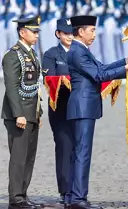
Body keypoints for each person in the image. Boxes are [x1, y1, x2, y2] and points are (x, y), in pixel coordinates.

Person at [67, 15, 128, 209]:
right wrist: (127, 68)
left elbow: (102, 67)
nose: (94, 34)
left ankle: (73, 196)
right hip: (82, 107)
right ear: (81, 31)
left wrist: (124, 61)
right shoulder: (78, 51)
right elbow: (99, 75)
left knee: (79, 152)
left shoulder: (81, 50)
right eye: (91, 30)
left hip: (83, 107)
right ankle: (77, 199)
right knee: (82, 153)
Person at [1, 15, 43, 209]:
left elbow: (35, 86)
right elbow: (11, 87)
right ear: (22, 32)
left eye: (37, 32)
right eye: (33, 32)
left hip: (31, 113)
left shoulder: (32, 54)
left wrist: (38, 113)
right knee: (18, 158)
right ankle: (16, 199)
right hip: (18, 116)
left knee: (29, 158)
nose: (36, 35)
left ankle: (23, 196)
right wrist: (19, 114)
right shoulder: (12, 55)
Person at [41, 18, 74, 206]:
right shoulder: (51, 54)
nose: (70, 36)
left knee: (79, 150)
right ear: (58, 34)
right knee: (64, 148)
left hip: (79, 109)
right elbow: (50, 79)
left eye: (72, 33)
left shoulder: (81, 53)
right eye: (66, 33)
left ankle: (77, 190)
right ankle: (65, 191)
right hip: (60, 109)